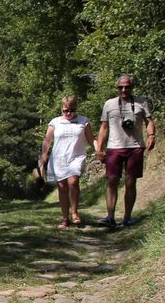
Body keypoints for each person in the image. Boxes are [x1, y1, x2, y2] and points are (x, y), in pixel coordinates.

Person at [94, 75, 158, 228]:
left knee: (131, 182)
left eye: (127, 86)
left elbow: (149, 121)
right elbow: (104, 127)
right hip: (114, 147)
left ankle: (127, 218)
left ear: (132, 87)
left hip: (135, 147)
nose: (124, 89)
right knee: (112, 181)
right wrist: (99, 148)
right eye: (121, 87)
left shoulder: (141, 102)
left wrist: (152, 135)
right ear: (117, 88)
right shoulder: (109, 104)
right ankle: (110, 217)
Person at [38, 95, 94, 229]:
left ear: (76, 109)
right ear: (62, 109)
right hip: (59, 158)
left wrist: (98, 149)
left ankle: (74, 213)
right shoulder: (55, 122)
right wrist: (44, 156)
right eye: (65, 110)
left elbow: (91, 139)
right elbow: (47, 140)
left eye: (71, 110)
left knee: (73, 181)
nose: (68, 113)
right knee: (62, 187)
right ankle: (64, 218)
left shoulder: (83, 121)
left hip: (76, 156)